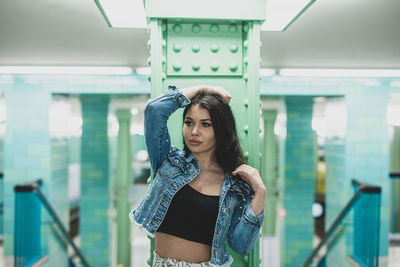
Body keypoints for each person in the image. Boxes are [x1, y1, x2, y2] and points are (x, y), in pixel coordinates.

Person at [129, 85, 266, 267]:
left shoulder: (235, 186)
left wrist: (260, 194)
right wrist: (203, 89)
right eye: (189, 122)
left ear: (221, 130)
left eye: (206, 124)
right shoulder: (168, 162)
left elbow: (241, 245)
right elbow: (154, 110)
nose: (194, 131)